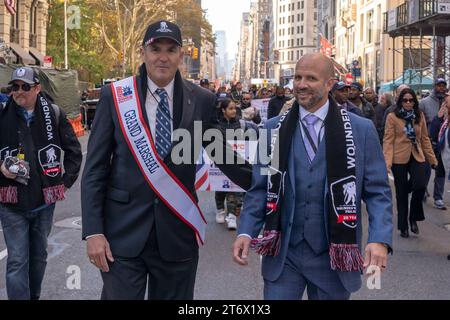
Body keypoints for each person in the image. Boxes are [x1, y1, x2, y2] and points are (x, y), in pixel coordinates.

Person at [81, 20, 252, 300]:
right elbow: (95, 170)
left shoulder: (202, 99)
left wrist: (269, 181)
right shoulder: (116, 96)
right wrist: (93, 232)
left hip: (177, 234)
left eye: (171, 50)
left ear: (181, 55)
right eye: (155, 49)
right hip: (121, 235)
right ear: (143, 53)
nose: (163, 57)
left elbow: (223, 157)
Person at [232, 53, 393, 300]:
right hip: (284, 257)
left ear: (330, 84)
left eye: (311, 78)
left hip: (333, 259)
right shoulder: (271, 129)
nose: (301, 84)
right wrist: (246, 231)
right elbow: (260, 188)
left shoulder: (361, 130)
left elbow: (378, 193)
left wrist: (379, 239)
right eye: (297, 77)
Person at [0, 66, 82, 299]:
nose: (18, 92)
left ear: (37, 88)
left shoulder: (54, 114)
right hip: (11, 203)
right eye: (14, 87)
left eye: (25, 87)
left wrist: (64, 183)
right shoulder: (2, 113)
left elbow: (74, 152)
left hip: (43, 203)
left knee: (38, 257)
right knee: (17, 259)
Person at [383, 88, 437, 238]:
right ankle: (403, 226)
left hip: (417, 154)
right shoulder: (392, 117)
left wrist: (432, 160)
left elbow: (425, 139)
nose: (408, 103)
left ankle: (414, 217)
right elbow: (388, 141)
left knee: (420, 185)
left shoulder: (419, 116)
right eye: (405, 100)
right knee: (401, 194)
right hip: (398, 158)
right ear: (400, 101)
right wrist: (387, 162)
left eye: (411, 100)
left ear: (415, 101)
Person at [214, 98, 258, 230]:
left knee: (234, 187)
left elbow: (255, 132)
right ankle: (220, 209)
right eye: (230, 108)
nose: (233, 111)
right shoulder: (216, 124)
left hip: (236, 159)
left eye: (235, 108)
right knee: (220, 185)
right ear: (223, 110)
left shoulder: (242, 124)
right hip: (220, 160)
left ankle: (231, 215)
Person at [419, 78, 448, 210]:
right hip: (428, 141)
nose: (441, 88)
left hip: (443, 142)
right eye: (439, 85)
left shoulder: (448, 101)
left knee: (440, 171)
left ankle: (438, 197)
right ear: (434, 86)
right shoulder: (424, 103)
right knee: (425, 170)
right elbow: (418, 122)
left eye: (443, 85)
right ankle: (423, 189)